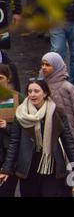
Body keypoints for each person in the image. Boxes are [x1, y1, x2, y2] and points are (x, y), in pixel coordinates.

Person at [0, 79, 74, 197]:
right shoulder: (20, 114)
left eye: (36, 91)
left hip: (52, 168)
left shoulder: (57, 113)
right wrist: (6, 169)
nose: (32, 94)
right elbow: (14, 143)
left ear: (45, 93)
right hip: (29, 168)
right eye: (29, 91)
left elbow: (69, 144)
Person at [39, 52, 74, 151]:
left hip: (69, 134)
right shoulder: (40, 87)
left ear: (57, 66)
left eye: (48, 65)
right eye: (42, 64)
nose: (44, 67)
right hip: (48, 133)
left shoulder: (67, 88)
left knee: (72, 165)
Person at [0, 64, 21, 196]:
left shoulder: (17, 99)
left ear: (8, 79)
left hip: (10, 155)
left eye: (1, 77)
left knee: (7, 191)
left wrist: (6, 127)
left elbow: (26, 128)